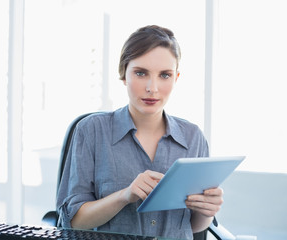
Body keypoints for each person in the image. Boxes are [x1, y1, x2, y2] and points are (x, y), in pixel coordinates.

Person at [56, 25, 223, 239]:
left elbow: (194, 226)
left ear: (176, 78)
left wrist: (207, 210)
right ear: (124, 74)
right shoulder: (91, 131)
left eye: (164, 75)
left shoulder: (193, 137)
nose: (152, 88)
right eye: (141, 73)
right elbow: (73, 222)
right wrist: (125, 195)